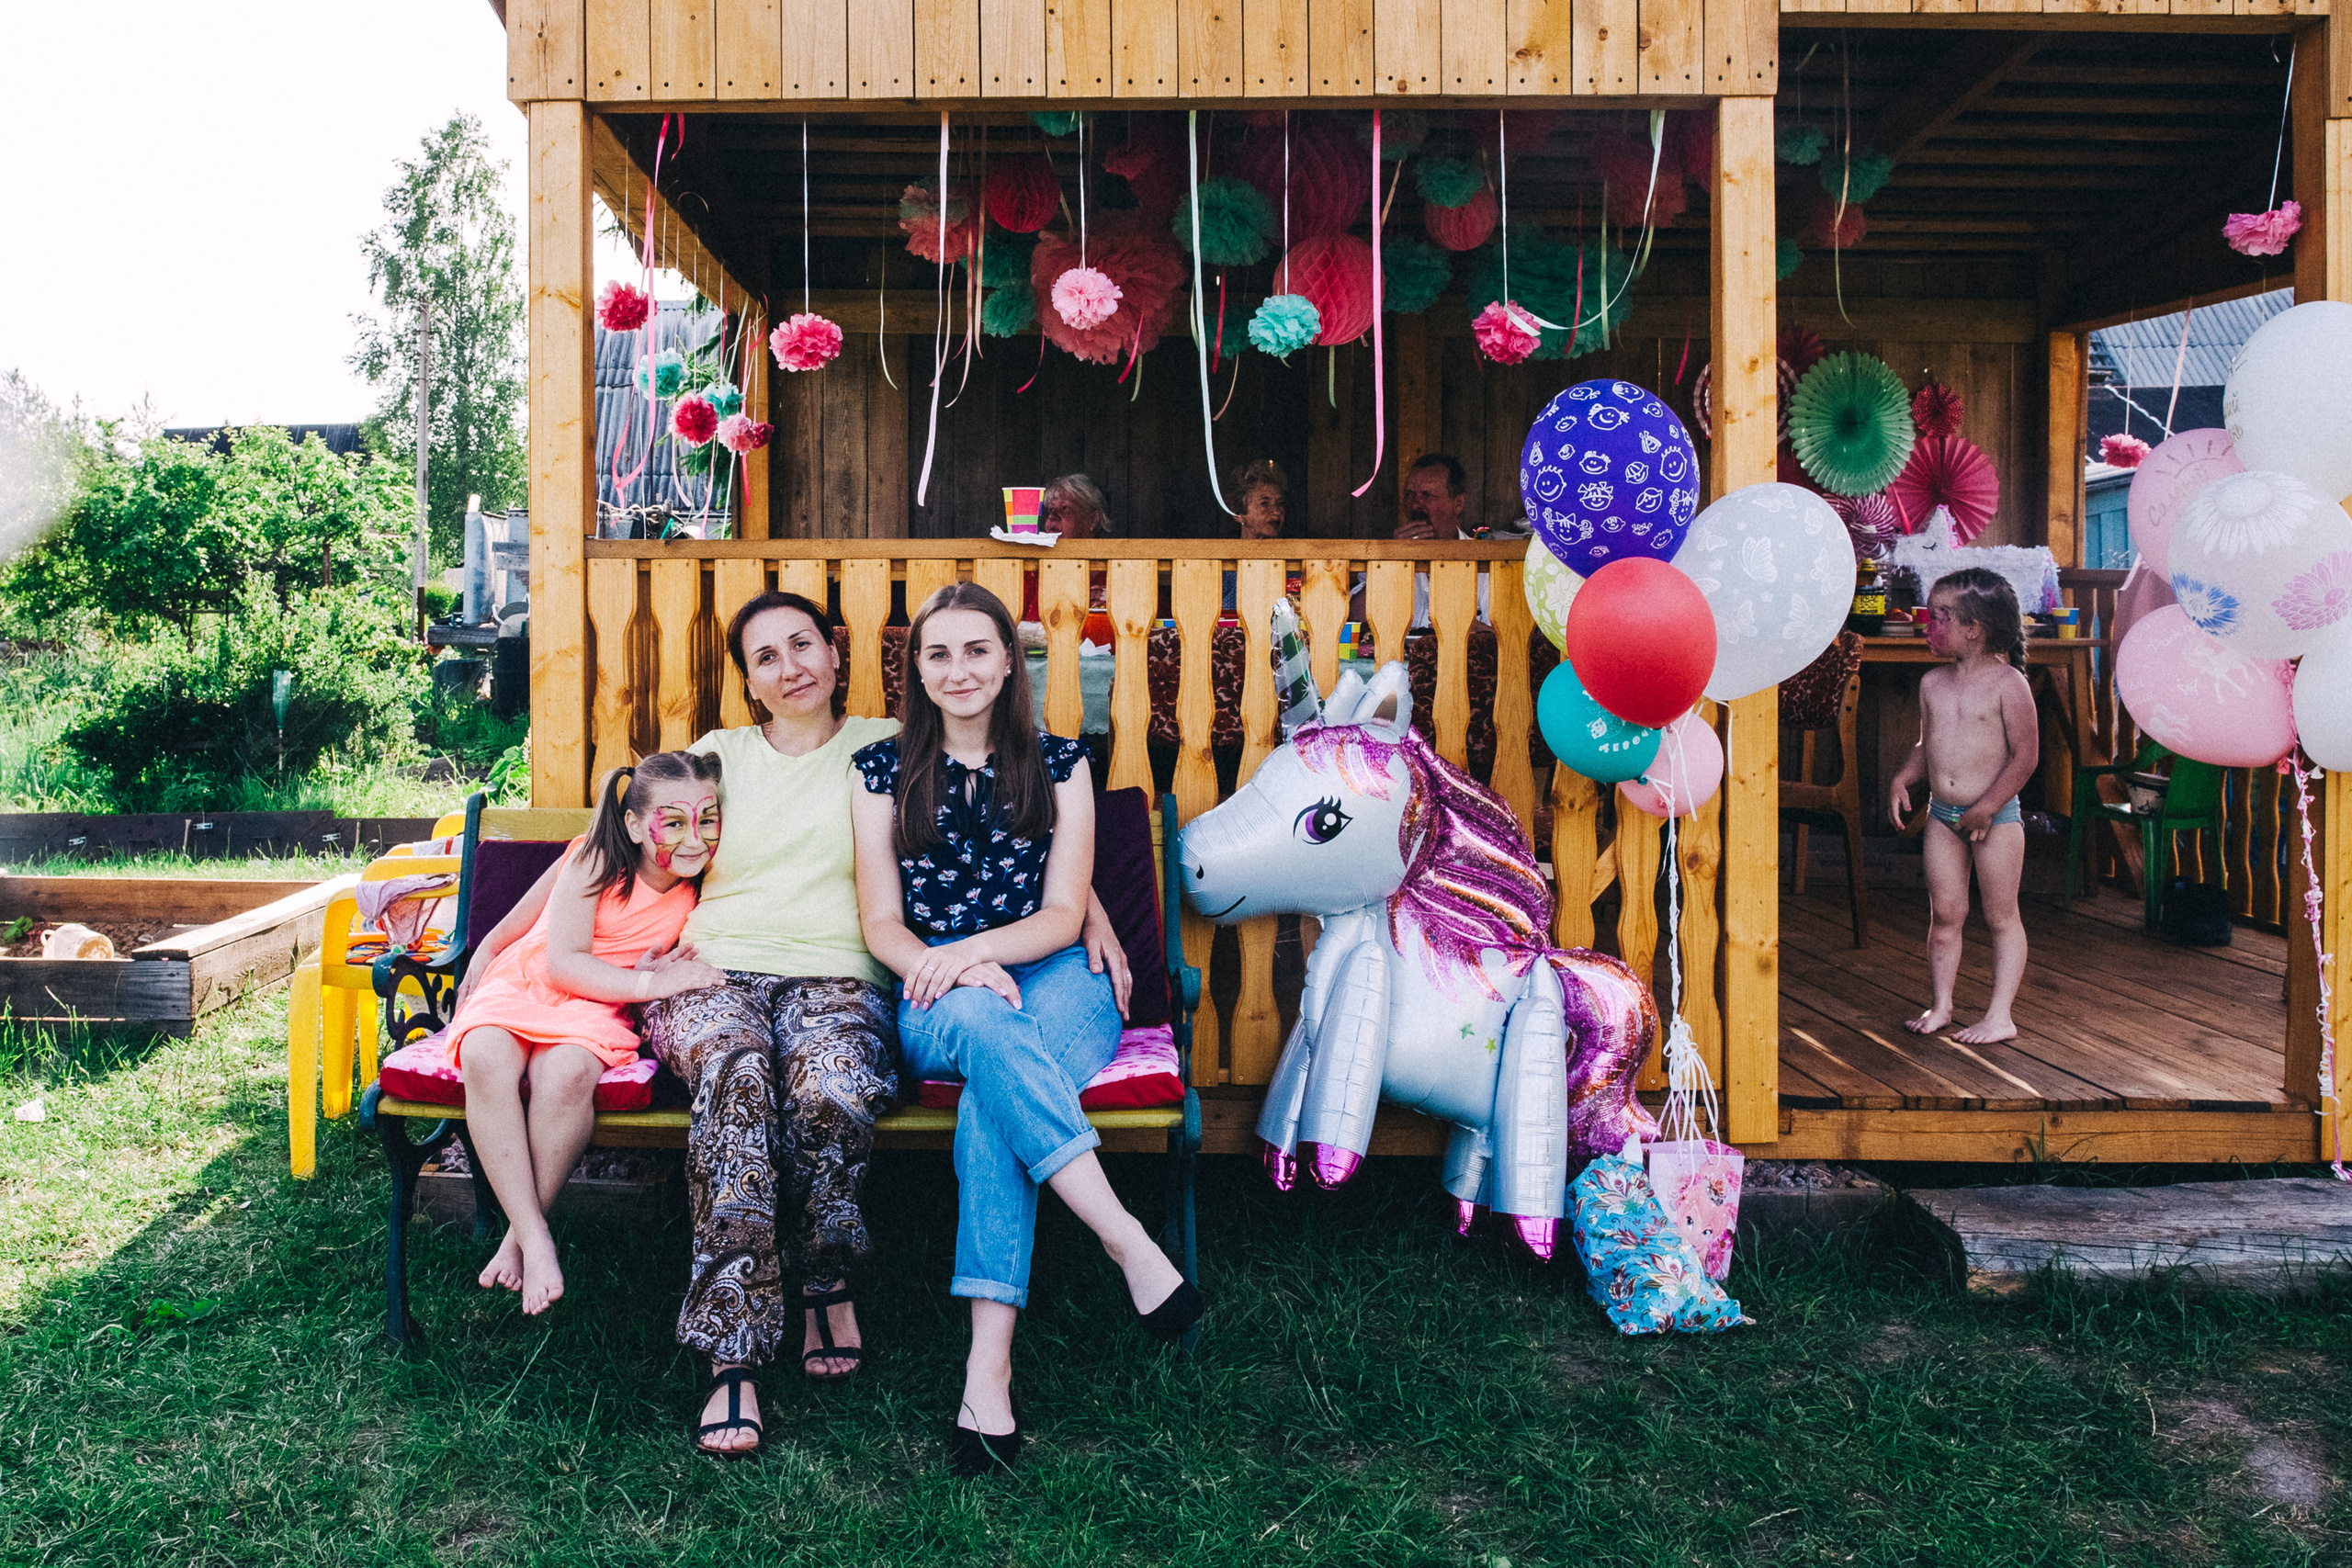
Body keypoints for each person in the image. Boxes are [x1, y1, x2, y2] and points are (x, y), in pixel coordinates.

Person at [644, 589, 1133, 1457]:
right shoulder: (716, 757)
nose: (790, 667)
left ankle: (827, 1274)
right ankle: (733, 1356)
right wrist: (506, 939)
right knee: (738, 1073)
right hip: (715, 967)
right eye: (766, 657)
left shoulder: (891, 747)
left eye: (804, 645)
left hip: (839, 975)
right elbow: (613, 844)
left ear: (838, 653)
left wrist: (1087, 909)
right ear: (749, 682)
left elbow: (1009, 827)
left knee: (833, 1083)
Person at [851, 582, 1203, 1477]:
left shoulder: (1059, 762)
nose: (958, 669)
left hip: (1059, 982)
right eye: (938, 653)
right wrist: (953, 967)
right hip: (937, 998)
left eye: (977, 650)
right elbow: (882, 924)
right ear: (916, 669)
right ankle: (1126, 1241)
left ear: (1010, 662)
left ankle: (987, 1371)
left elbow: (1057, 915)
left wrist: (967, 950)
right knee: (979, 1021)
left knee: (990, 1109)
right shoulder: (880, 772)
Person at [449, 750, 726, 1318]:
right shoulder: (597, 858)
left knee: (568, 1071)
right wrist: (485, 952)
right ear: (633, 823)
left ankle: (518, 1238)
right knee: (485, 1055)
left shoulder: (704, 887)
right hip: (537, 978)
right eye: (672, 822)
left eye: (707, 818)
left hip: (599, 1002)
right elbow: (556, 955)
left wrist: (650, 969)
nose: (693, 838)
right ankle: (537, 1237)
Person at [1887, 568, 2040, 1046]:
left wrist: (1988, 807)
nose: (1928, 626)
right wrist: (1904, 776)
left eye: (1939, 618)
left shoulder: (2009, 684)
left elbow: (2026, 756)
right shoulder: (1933, 682)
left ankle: (2000, 1016)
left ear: (1973, 627)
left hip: (1996, 819)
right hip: (1942, 815)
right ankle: (1942, 1004)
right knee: (1946, 915)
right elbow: (1927, 742)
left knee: (2001, 916)